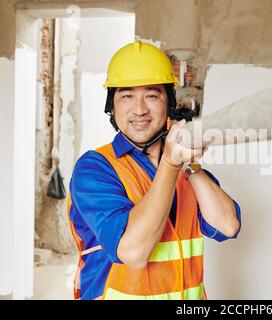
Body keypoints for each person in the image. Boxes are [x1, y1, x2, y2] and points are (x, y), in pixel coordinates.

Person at [68, 40, 241, 300]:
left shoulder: (186, 168)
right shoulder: (94, 168)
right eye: (127, 96)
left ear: (168, 103)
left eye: (152, 95)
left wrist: (189, 165)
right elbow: (134, 253)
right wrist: (171, 163)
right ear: (112, 108)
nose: (140, 109)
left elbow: (228, 225)